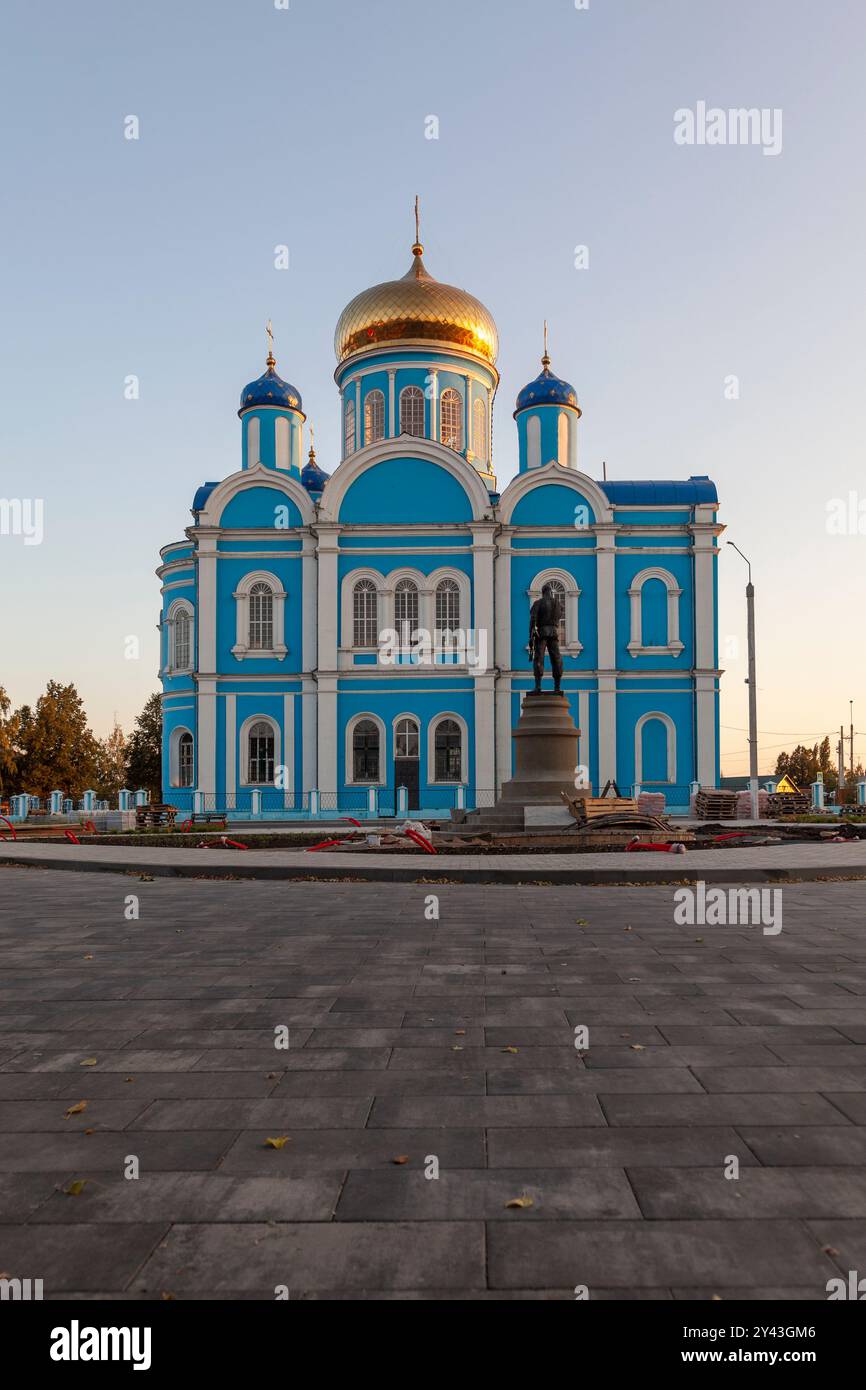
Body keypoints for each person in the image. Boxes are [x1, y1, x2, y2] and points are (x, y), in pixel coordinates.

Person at [528, 583, 563, 693]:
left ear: (543, 593)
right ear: (551, 592)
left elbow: (533, 619)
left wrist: (531, 635)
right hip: (554, 633)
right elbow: (559, 615)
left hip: (541, 633)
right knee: (556, 658)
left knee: (539, 658)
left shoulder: (538, 603)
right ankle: (557, 687)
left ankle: (538, 686)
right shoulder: (558, 604)